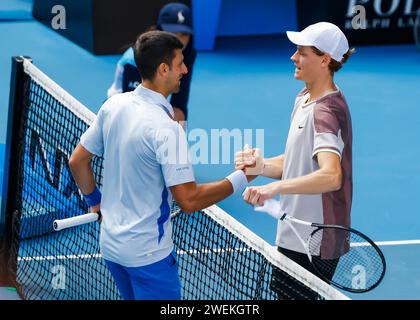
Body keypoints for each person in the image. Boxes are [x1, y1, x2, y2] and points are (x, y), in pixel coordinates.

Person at [69, 31, 250, 300]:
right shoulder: (168, 129)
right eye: (180, 64)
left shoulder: (114, 105)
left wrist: (94, 201)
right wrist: (244, 177)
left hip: (110, 247)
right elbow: (189, 200)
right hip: (148, 257)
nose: (185, 70)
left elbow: (77, 160)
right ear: (163, 69)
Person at [236, 22, 354, 299]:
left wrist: (272, 189)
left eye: (302, 52)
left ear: (325, 59)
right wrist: (261, 166)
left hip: (315, 239)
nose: (293, 57)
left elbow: (330, 175)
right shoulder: (304, 99)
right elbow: (300, 161)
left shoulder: (326, 112)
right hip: (294, 230)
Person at [107, 2, 196, 124]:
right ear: (160, 30)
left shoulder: (187, 52)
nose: (179, 39)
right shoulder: (133, 60)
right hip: (119, 110)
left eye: (184, 34)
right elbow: (131, 109)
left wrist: (178, 139)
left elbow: (180, 103)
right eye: (173, 33)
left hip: (156, 103)